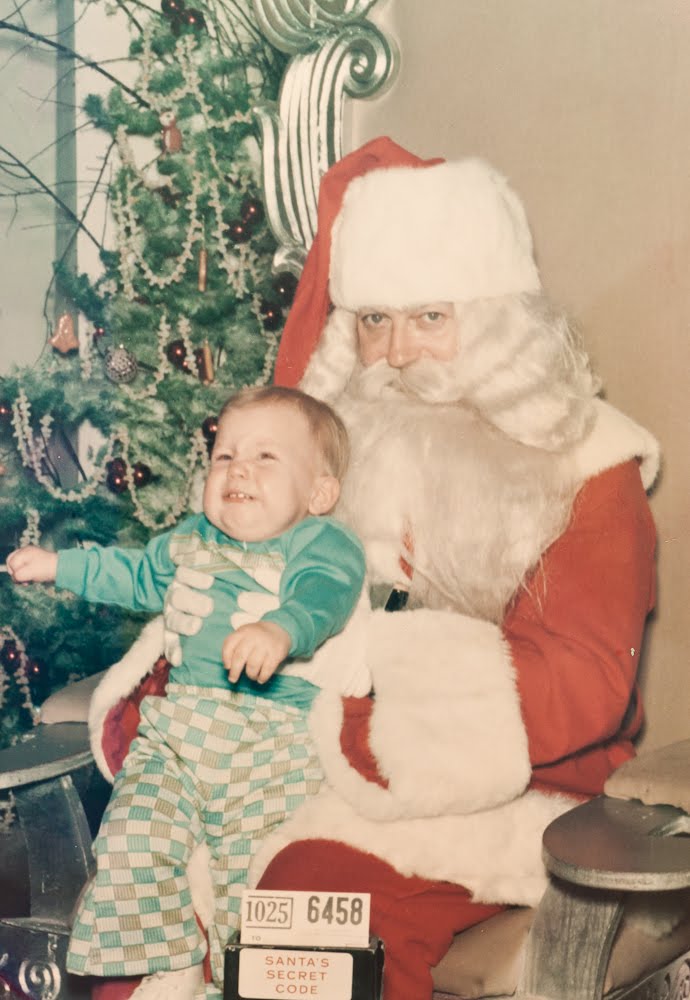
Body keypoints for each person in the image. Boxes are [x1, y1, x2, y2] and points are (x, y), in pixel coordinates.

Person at [80, 138, 660, 1000]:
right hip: (289, 764)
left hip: (500, 793)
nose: (396, 353)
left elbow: (581, 684)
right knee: (149, 894)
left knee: (306, 910)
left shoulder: (587, 469)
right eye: (374, 321)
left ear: (497, 320)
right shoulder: (329, 462)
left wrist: (363, 694)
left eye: (430, 317)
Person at [7, 385, 367, 1000]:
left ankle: (242, 981)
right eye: (225, 455)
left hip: (273, 741)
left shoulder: (320, 542)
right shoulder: (191, 540)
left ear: (319, 494)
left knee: (253, 877)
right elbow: (134, 573)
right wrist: (60, 566)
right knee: (132, 833)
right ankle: (169, 965)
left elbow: (324, 592)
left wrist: (282, 627)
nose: (238, 469)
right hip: (180, 728)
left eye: (265, 457)